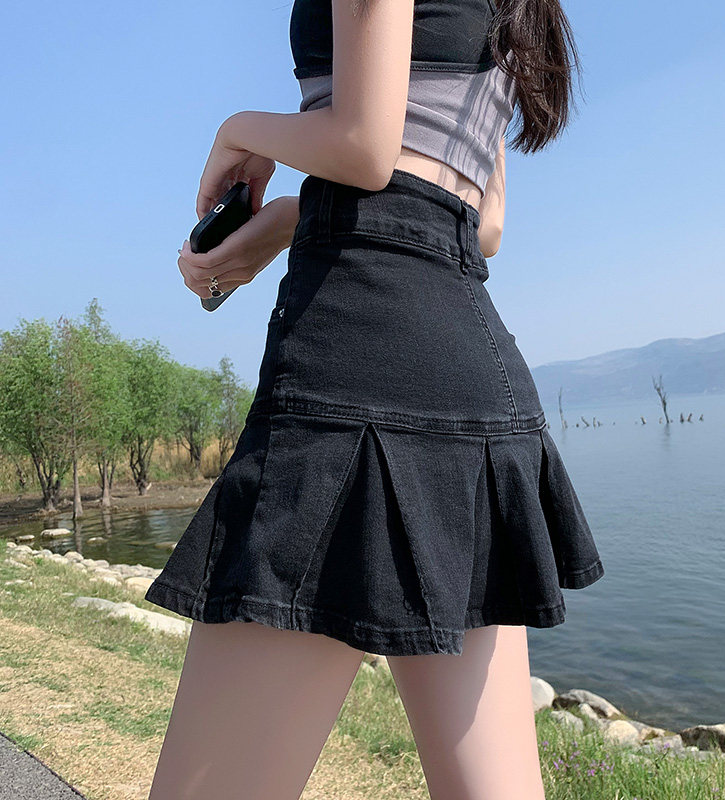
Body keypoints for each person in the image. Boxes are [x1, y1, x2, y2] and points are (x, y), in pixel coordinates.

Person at [145, 0, 605, 797]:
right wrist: (289, 219)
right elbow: (484, 223)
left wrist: (237, 131)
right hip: (474, 380)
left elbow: (363, 145)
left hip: (350, 363)